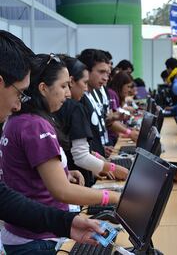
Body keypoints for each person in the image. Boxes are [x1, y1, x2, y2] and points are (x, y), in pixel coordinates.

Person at [0, 54, 120, 254]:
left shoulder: (17, 120)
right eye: (63, 86)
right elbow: (62, 191)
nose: (67, 93)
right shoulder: (35, 125)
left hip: (24, 233)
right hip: (37, 239)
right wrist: (114, 197)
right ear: (44, 88)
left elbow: (26, 171)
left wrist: (64, 172)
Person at [55, 56, 128, 187]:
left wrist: (96, 158)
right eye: (85, 83)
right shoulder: (74, 107)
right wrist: (111, 168)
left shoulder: (62, 107)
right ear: (72, 81)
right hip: (77, 184)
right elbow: (80, 155)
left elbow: (72, 146)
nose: (86, 88)